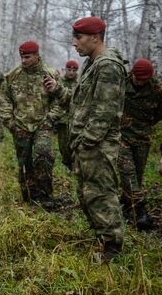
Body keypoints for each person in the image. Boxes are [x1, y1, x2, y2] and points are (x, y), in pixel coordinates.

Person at [44, 16, 126, 261]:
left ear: (95, 37)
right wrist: (57, 90)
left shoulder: (108, 65)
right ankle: (102, 241)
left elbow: (105, 111)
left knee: (100, 193)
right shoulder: (93, 63)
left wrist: (86, 141)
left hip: (97, 146)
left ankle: (112, 250)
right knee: (88, 194)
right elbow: (81, 104)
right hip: (87, 144)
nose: (74, 43)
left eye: (78, 38)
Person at [0, 41, 61, 208]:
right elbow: (4, 99)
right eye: (22, 57)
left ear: (37, 56)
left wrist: (51, 118)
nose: (23, 60)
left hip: (43, 124)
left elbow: (59, 100)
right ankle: (30, 195)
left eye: (27, 57)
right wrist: (10, 122)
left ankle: (46, 195)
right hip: (20, 125)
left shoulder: (51, 74)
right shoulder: (13, 75)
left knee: (43, 155)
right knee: (24, 161)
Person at [117, 58, 162, 229]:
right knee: (128, 173)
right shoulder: (122, 83)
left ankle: (127, 206)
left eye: (144, 80)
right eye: (138, 78)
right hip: (121, 138)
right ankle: (140, 212)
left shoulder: (157, 89)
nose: (140, 82)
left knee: (136, 176)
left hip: (142, 139)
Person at [54, 60, 79, 169]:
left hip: (76, 119)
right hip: (62, 119)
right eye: (69, 70)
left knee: (75, 144)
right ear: (65, 69)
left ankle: (75, 166)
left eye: (74, 70)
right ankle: (66, 164)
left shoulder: (80, 82)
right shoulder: (59, 81)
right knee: (63, 146)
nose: (71, 72)